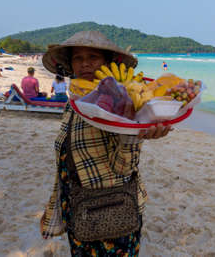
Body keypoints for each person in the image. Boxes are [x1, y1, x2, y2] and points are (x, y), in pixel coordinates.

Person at [40, 30, 172, 255]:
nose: (85, 64)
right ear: (71, 65)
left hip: (112, 208)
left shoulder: (120, 101)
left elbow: (124, 167)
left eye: (93, 57)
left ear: (107, 63)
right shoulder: (74, 103)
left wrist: (135, 133)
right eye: (78, 58)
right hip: (78, 206)